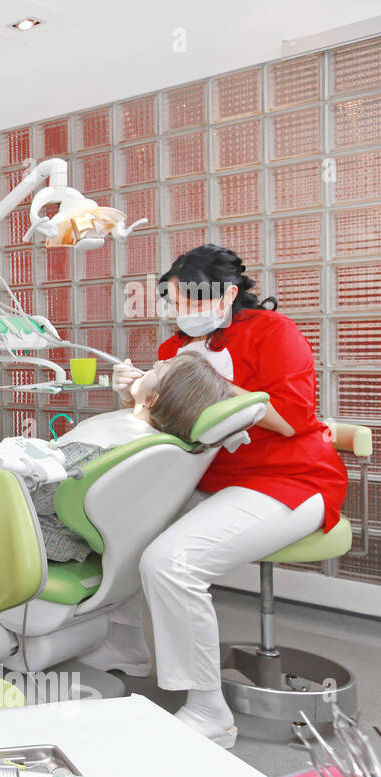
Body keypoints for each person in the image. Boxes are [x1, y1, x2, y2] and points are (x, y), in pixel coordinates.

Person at [88, 244, 348, 748]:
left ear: (227, 293)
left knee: (170, 561)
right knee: (113, 527)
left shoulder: (274, 333)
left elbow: (292, 418)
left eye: (190, 299)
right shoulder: (173, 348)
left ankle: (209, 710)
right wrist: (136, 394)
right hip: (208, 480)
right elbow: (175, 428)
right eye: (174, 301)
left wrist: (212, 384)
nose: (180, 311)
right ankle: (125, 645)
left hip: (290, 481)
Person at [30, 351, 235, 563]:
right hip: (80, 536)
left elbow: (34, 497)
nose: (157, 362)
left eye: (158, 369)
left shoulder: (98, 449)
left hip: (43, 535)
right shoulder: (152, 443)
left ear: (152, 398)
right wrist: (130, 399)